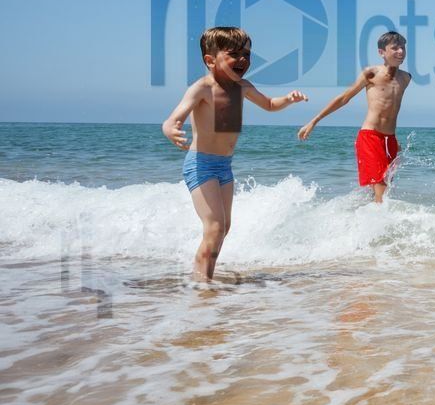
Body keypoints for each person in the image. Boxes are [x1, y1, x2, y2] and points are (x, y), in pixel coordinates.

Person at [162, 26, 308, 281]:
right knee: (215, 227)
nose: (243, 60)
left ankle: (202, 276)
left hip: (224, 166)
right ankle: (201, 284)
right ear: (210, 60)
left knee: (223, 227)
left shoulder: (242, 86)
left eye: (247, 54)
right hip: (201, 164)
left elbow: (270, 105)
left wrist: (288, 98)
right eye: (234, 54)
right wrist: (171, 130)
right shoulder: (202, 88)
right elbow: (173, 118)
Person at [298, 31, 412, 203]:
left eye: (402, 47)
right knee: (381, 188)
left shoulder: (406, 78)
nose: (400, 51)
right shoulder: (371, 73)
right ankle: (379, 225)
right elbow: (344, 98)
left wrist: (393, 142)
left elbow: (391, 108)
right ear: (382, 52)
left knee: (385, 190)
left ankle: (361, 221)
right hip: (370, 136)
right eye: (395, 48)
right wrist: (314, 121)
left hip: (390, 140)